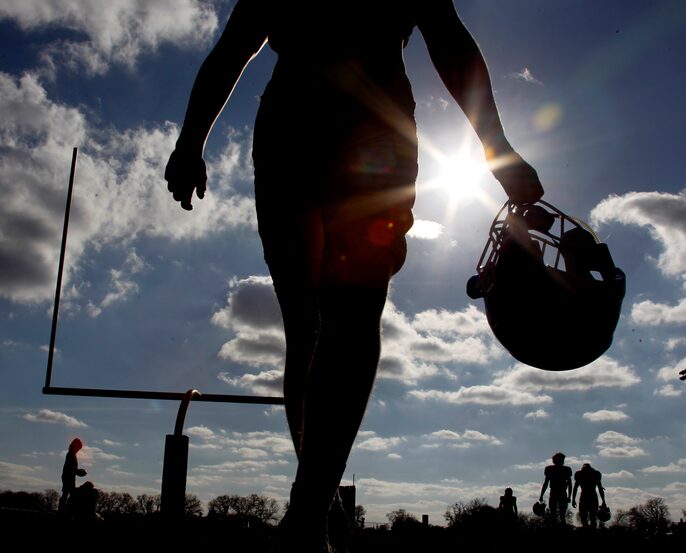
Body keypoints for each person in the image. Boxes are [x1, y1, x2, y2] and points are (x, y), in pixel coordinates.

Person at [165, 2, 543, 550]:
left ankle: (309, 510)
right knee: (311, 326)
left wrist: (497, 146)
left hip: (363, 123)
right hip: (308, 122)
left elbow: (448, 39)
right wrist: (189, 139)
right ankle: (314, 508)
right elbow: (235, 43)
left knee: (349, 310)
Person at [539, 452, 572, 525]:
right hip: (556, 492)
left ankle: (559, 528)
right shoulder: (552, 469)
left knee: (560, 514)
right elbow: (546, 483)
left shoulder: (564, 469)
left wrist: (569, 496)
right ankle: (556, 529)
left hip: (560, 492)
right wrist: (541, 494)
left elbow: (570, 484)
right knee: (555, 514)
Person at [572, 463, 606, 529]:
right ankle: (588, 529)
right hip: (588, 497)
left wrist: (603, 501)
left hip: (589, 496)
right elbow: (575, 487)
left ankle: (590, 529)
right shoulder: (581, 474)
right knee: (585, 517)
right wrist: (573, 499)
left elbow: (600, 488)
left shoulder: (593, 474)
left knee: (591, 517)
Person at [59, 438, 87, 515]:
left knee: (68, 494)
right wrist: (79, 472)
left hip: (68, 477)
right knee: (68, 494)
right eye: (78, 448)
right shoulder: (71, 454)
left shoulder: (71, 454)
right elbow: (71, 467)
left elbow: (72, 468)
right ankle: (64, 511)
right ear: (76, 446)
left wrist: (78, 471)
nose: (78, 450)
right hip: (68, 477)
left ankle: (65, 510)